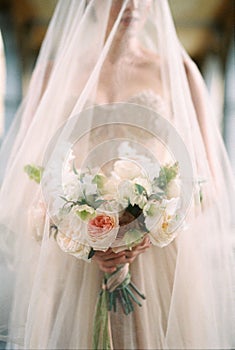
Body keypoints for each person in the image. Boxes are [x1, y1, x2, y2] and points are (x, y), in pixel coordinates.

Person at [0, 1, 234, 349]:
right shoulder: (54, 73)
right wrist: (81, 232)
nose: (131, 5)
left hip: (155, 254)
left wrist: (150, 226)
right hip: (75, 255)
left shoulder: (179, 71)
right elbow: (29, 175)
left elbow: (210, 184)